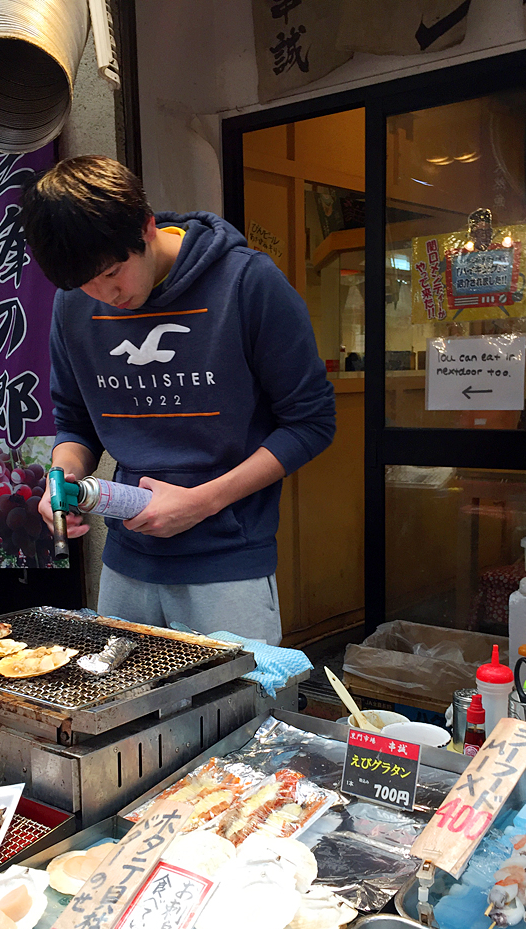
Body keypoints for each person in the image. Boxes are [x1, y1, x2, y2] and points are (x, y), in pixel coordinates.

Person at [20, 155, 335, 645]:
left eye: (112, 273)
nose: (104, 295)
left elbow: (311, 422)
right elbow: (75, 422)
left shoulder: (247, 283)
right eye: (84, 284)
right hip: (126, 561)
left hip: (228, 561)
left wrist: (201, 503)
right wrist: (62, 477)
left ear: (147, 228)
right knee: (122, 716)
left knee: (239, 716)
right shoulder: (74, 303)